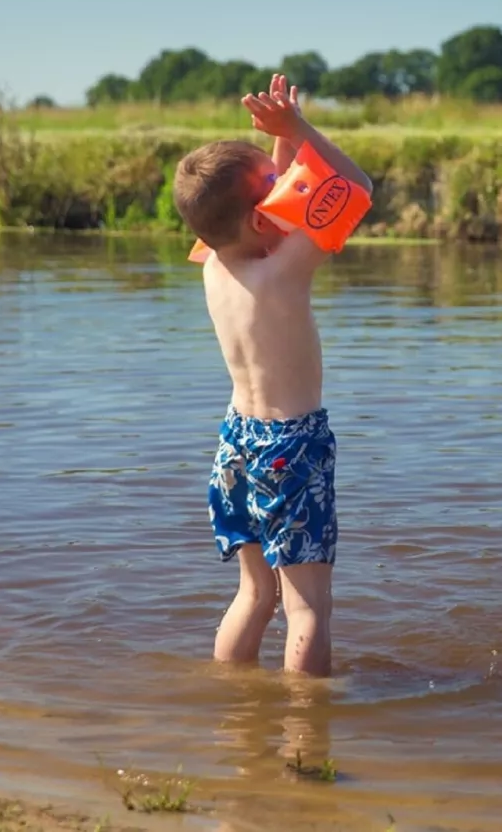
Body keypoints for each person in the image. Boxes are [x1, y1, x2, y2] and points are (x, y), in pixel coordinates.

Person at [170, 73, 372, 676]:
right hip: (293, 446)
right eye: (275, 184)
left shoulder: (213, 263)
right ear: (264, 219)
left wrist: (278, 140)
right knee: (308, 609)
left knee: (256, 596)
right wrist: (300, 130)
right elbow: (355, 189)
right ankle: (305, 746)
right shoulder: (282, 271)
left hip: (237, 444)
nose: (288, 184)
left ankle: (237, 716)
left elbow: (261, 209)